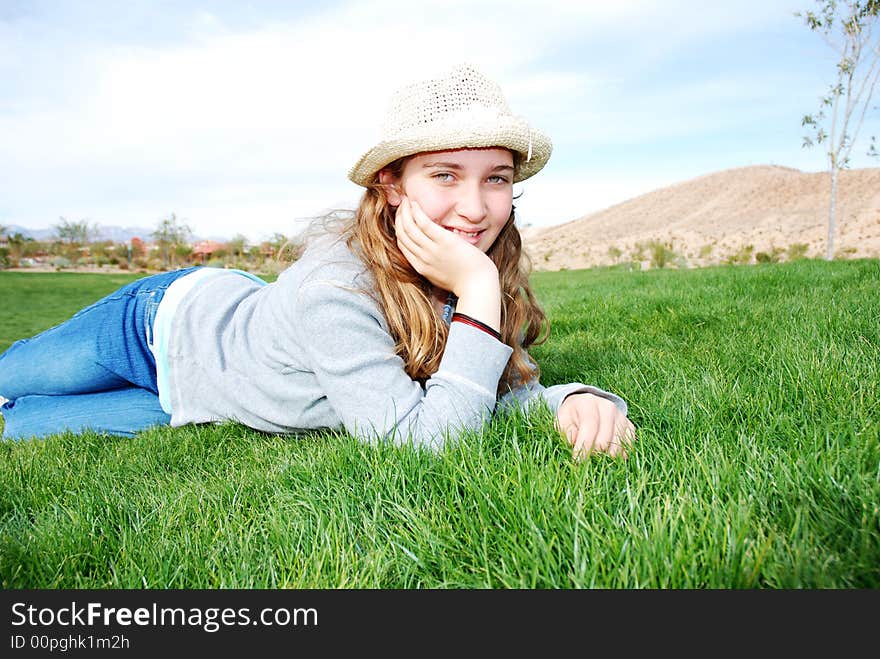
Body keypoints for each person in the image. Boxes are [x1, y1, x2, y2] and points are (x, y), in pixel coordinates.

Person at [0, 63, 635, 459]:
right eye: (445, 174)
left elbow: (470, 394)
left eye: (495, 178)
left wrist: (566, 400)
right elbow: (427, 444)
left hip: (207, 393)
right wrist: (477, 288)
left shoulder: (474, 265)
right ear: (391, 183)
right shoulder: (337, 286)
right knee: (11, 378)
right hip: (156, 327)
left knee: (17, 429)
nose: (475, 207)